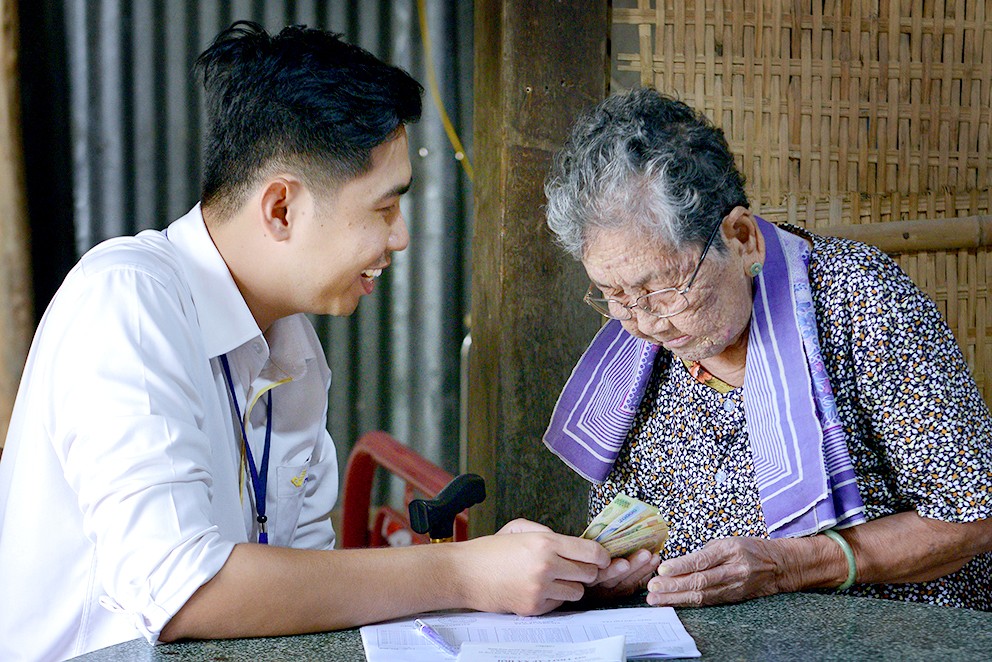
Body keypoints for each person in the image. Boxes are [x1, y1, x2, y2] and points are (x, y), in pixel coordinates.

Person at [0, 22, 618, 661]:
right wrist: (463, 573)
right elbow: (182, 591)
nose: (401, 237)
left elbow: (305, 596)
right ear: (281, 209)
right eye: (384, 208)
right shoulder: (127, 301)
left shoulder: (291, 349)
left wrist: (504, 575)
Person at [542, 88, 992, 611]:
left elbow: (974, 518)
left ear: (741, 238)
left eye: (663, 288)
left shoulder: (858, 298)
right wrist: (614, 572)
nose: (643, 322)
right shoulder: (637, 352)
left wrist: (792, 565)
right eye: (614, 294)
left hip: (891, 635)